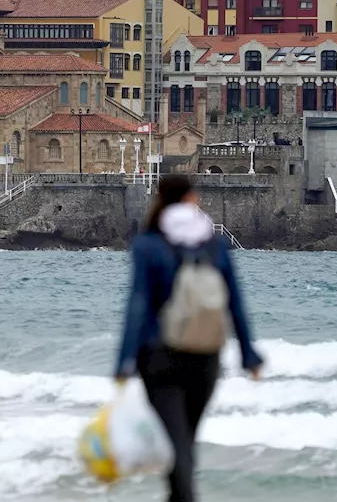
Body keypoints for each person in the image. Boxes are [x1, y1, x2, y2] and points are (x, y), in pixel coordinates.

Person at [115, 174, 263, 502]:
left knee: (176, 442)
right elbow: (234, 301)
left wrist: (124, 360)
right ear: (191, 200)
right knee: (185, 441)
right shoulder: (214, 244)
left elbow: (138, 304)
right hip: (205, 354)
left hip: (158, 356)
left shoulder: (148, 244)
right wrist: (248, 355)